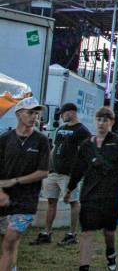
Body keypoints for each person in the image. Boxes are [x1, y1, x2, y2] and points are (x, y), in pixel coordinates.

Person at [65, 106, 118, 271]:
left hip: (112, 195)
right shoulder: (86, 145)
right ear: (95, 121)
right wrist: (69, 189)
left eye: (105, 120)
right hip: (89, 195)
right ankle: (84, 267)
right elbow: (78, 169)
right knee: (87, 232)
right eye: (99, 119)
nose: (102, 123)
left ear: (111, 122)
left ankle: (110, 254)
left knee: (109, 233)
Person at [31, 102, 91, 247]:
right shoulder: (61, 129)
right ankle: (47, 233)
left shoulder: (82, 130)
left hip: (69, 174)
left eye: (63, 114)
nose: (62, 117)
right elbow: (55, 148)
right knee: (51, 201)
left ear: (71, 112)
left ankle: (72, 234)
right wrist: (47, 165)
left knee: (73, 202)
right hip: (54, 171)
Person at [0, 97, 50, 271]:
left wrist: (15, 181)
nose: (34, 116)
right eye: (30, 112)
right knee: (10, 244)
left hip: (26, 201)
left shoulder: (41, 140)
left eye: (36, 113)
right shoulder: (5, 139)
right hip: (3, 199)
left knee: (9, 241)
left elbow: (44, 171)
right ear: (19, 114)